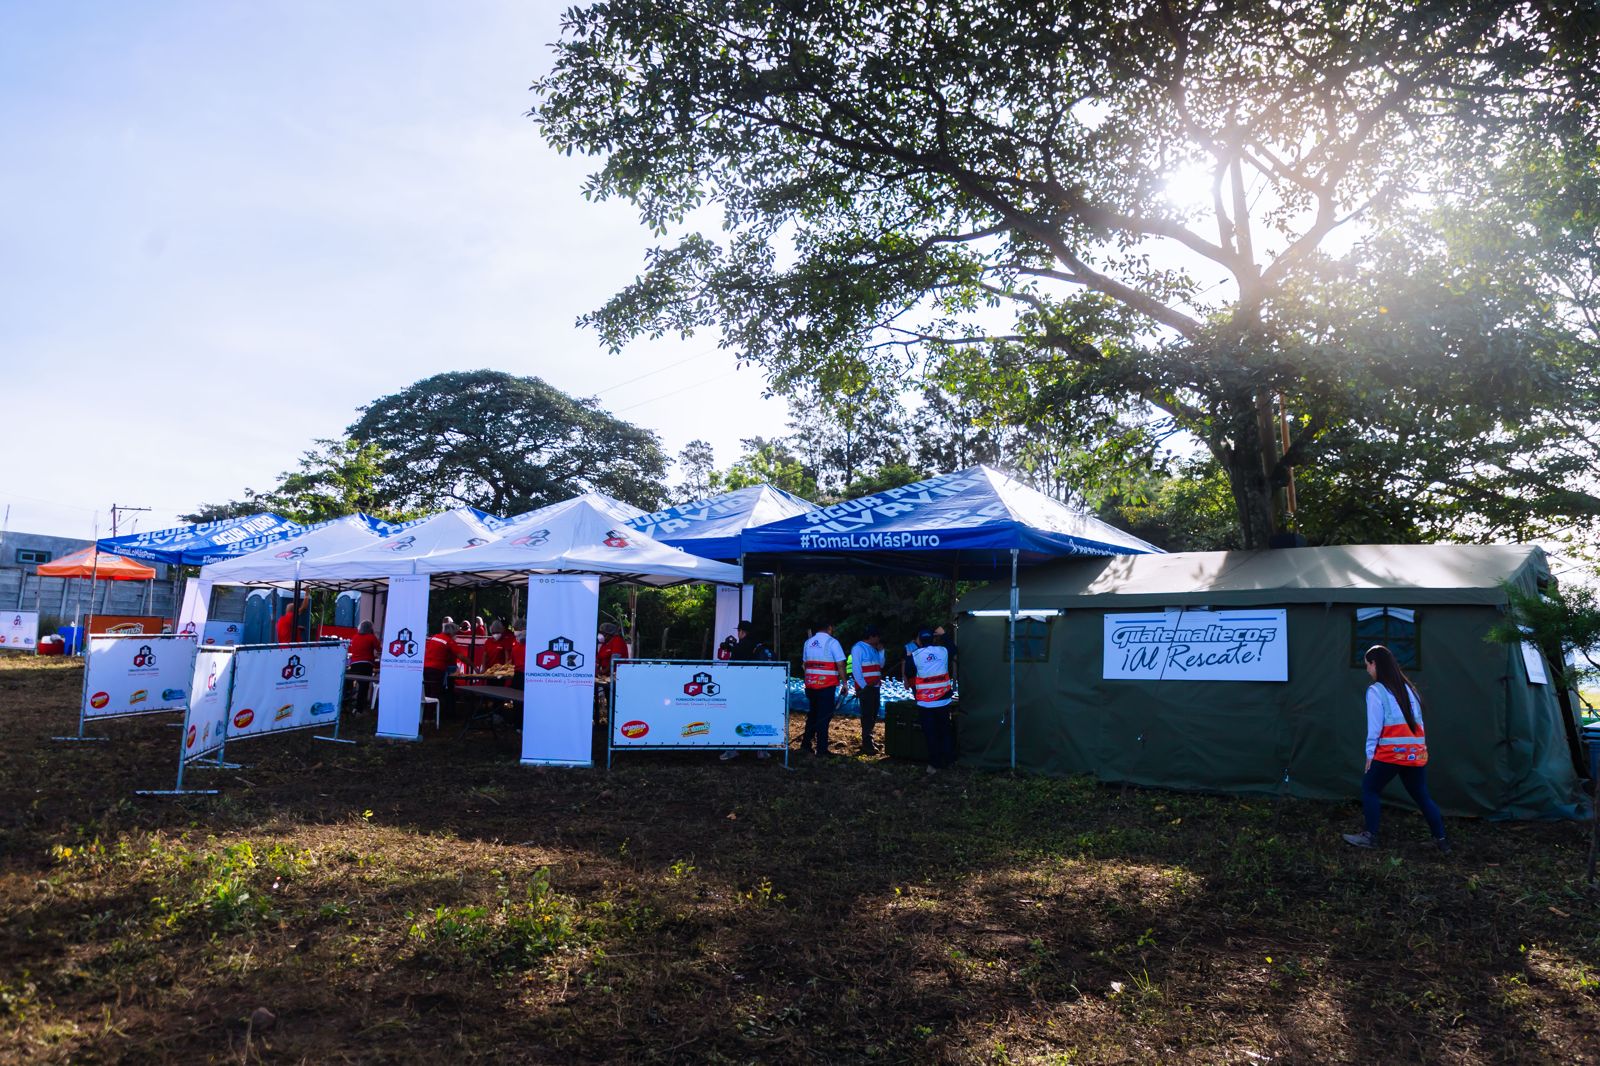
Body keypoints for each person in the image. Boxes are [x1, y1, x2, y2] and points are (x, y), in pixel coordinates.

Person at [1343, 645, 1450, 852]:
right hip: (1415, 753)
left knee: (1370, 789)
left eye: (1367, 665)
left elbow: (1374, 728)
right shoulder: (1410, 689)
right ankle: (1441, 841)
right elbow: (1420, 723)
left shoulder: (1376, 691)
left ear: (1375, 664)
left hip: (1390, 753)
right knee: (1421, 795)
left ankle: (1370, 837)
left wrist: (1370, 755)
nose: (1367, 670)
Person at [911, 628, 956, 774]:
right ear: (934, 639)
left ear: (919, 640)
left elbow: (909, 672)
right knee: (945, 731)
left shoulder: (915, 655)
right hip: (943, 700)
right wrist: (944, 634)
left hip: (925, 703)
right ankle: (948, 761)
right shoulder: (943, 651)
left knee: (931, 733)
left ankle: (934, 763)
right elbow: (954, 648)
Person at [800, 620, 846, 756]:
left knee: (813, 715)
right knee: (824, 717)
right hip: (826, 685)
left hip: (811, 685)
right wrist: (844, 683)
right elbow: (841, 664)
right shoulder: (833, 642)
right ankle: (822, 749)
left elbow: (804, 665)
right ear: (829, 628)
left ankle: (806, 744)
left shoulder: (808, 643)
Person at [849, 625, 886, 755]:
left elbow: (881, 665)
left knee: (873, 714)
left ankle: (869, 739)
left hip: (875, 687)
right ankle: (867, 742)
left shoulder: (874, 649)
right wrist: (864, 687)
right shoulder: (858, 648)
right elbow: (856, 670)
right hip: (866, 688)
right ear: (871, 636)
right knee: (867, 715)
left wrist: (881, 651)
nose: (879, 639)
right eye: (877, 637)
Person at [424, 622, 465, 718]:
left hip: (426, 668)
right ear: (452, 632)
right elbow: (461, 656)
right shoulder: (449, 641)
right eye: (456, 633)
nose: (456, 635)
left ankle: (425, 715)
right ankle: (429, 716)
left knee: (427, 692)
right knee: (435, 693)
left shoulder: (434, 637)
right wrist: (473, 666)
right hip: (437, 669)